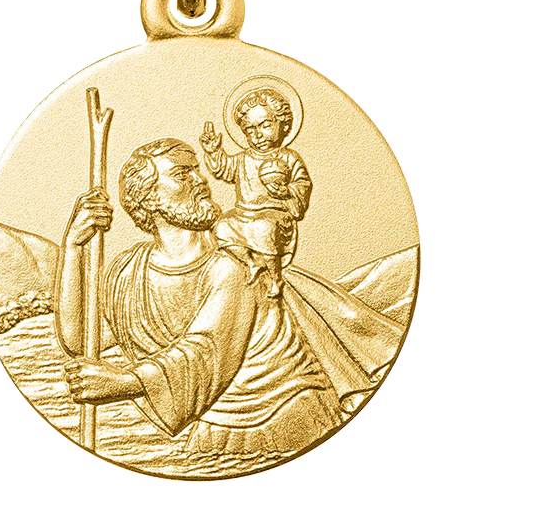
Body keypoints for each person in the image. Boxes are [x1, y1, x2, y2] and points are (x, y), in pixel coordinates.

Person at [55, 138, 404, 457]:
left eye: (197, 170)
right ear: (148, 198)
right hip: (215, 425)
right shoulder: (128, 270)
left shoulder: (236, 259)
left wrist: (127, 383)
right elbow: (80, 341)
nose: (201, 180)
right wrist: (73, 246)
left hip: (281, 415)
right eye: (182, 174)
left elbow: (207, 349)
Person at [199, 87, 311, 297]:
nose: (257, 135)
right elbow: (223, 169)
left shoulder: (289, 158)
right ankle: (251, 262)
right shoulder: (243, 159)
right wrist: (214, 151)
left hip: (275, 216)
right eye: (250, 130)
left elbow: (302, 184)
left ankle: (275, 278)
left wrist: (286, 191)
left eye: (265, 125)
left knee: (263, 228)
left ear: (283, 124)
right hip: (243, 214)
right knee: (222, 227)